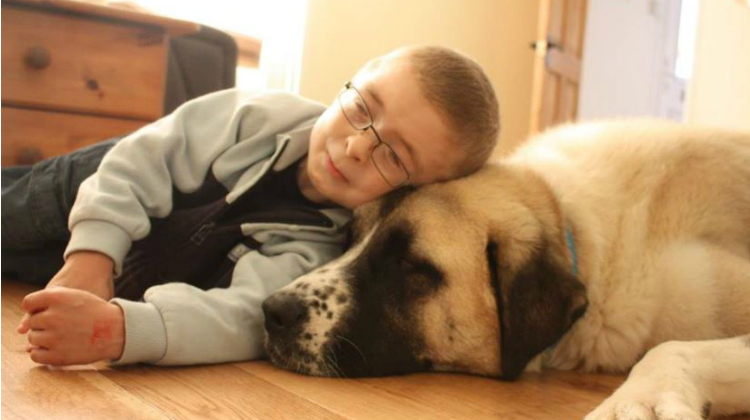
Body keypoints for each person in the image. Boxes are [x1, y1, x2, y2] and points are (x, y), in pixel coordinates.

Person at [2, 45, 500, 367]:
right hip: (86, 192)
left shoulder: (314, 252)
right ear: (344, 86)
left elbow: (240, 318)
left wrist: (122, 330)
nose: (355, 148)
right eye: (362, 109)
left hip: (123, 280)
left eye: (391, 155)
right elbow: (141, 161)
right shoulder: (258, 117)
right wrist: (91, 257)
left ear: (407, 194)